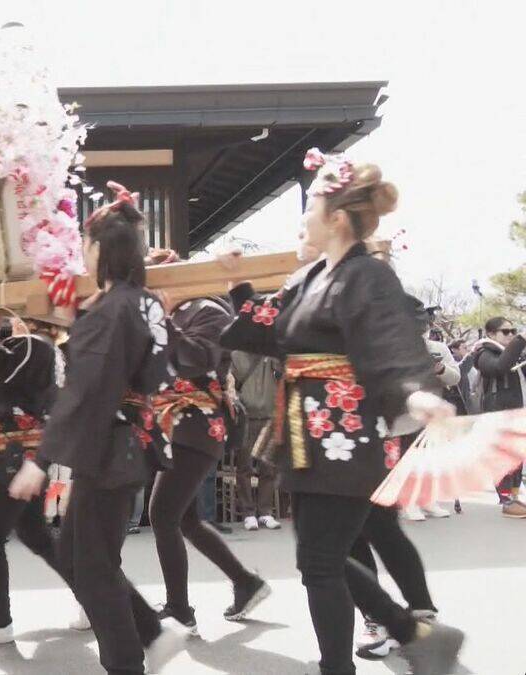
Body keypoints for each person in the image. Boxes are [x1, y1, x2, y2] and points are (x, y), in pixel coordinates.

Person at [221, 148, 464, 675]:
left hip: (343, 438)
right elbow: (270, 331)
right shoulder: (311, 278)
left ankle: (352, 660)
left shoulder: (366, 276)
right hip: (311, 438)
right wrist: (239, 286)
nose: (305, 216)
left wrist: (414, 392)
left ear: (335, 218)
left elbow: (390, 340)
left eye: (311, 205)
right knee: (318, 556)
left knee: (319, 562)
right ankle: (411, 631)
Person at [9, 182, 188, 675]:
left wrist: (39, 461)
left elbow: (83, 392)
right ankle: (152, 633)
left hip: (112, 449)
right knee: (77, 555)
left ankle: (130, 660)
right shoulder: (145, 302)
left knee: (89, 567)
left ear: (99, 251)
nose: (82, 256)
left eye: (85, 246)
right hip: (132, 442)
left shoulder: (109, 311)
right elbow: (154, 372)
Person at [144, 274, 269, 634]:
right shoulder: (171, 312)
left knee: (163, 514)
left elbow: (196, 359)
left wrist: (162, 319)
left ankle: (180, 609)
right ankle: (246, 582)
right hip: (176, 424)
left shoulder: (209, 310)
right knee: (185, 519)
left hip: (198, 423)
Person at [0, 313, 73, 646]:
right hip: (22, 454)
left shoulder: (34, 346)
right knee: (37, 537)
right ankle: (94, 600)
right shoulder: (43, 349)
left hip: (16, 455)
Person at [401, 332, 461, 520]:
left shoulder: (438, 348)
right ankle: (408, 501)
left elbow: (455, 378)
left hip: (434, 408)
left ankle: (427, 500)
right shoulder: (394, 344)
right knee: (408, 456)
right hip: (405, 409)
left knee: (430, 456)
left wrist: (440, 368)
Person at [471, 316, 526, 516]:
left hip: (517, 411)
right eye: (506, 332)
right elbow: (499, 367)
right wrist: (520, 341)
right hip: (497, 413)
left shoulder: (515, 353)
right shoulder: (482, 353)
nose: (511, 335)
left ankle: (515, 496)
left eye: (513, 331)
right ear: (491, 334)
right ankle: (505, 500)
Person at [230, 352, 282, 531]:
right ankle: (248, 513)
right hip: (246, 417)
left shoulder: (271, 351)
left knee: (268, 467)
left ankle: (265, 511)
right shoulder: (236, 355)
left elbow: (283, 374)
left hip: (270, 415)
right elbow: (230, 383)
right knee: (244, 467)